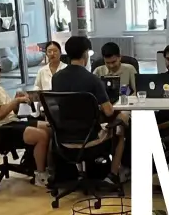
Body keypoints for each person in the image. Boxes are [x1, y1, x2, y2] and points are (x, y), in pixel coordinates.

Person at [51, 35, 129, 177]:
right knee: (120, 129)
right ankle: (112, 175)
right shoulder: (92, 79)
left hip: (63, 141)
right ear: (86, 53)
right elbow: (109, 111)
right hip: (89, 141)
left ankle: (80, 173)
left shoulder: (56, 78)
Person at [0, 55, 54, 186]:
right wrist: (16, 101)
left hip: (12, 123)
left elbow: (12, 113)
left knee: (50, 127)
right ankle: (40, 175)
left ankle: (43, 165)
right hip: (1, 131)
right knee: (41, 136)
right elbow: (0, 114)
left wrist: (16, 101)